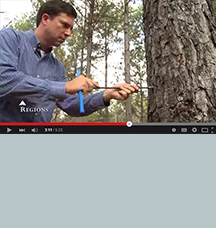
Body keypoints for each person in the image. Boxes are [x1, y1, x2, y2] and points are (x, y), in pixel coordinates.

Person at [0, 0, 138, 122]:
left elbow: (70, 104)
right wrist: (64, 87)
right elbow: (4, 79)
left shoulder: (57, 67)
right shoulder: (10, 39)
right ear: (45, 19)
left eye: (71, 28)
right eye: (64, 25)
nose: (68, 33)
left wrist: (106, 95)